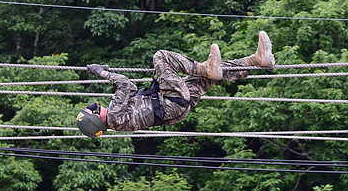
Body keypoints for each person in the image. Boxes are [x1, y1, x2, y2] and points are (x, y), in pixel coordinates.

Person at [77, 31, 275, 137]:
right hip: (171, 102)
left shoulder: (118, 121)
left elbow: (133, 91)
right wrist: (101, 72)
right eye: (93, 111)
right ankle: (204, 68)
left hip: (176, 108)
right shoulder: (114, 114)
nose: (96, 106)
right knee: (161, 57)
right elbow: (126, 85)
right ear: (96, 119)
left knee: (212, 77)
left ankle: (256, 61)